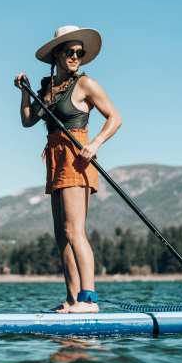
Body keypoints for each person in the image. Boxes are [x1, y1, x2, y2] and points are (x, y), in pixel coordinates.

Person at [14, 25, 121, 313]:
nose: (76, 57)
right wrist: (25, 92)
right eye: (70, 52)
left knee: (75, 230)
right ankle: (73, 298)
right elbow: (27, 120)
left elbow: (115, 117)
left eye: (79, 53)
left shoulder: (86, 85)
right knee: (61, 234)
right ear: (56, 55)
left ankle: (89, 300)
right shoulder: (47, 89)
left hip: (77, 157)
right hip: (55, 158)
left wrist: (96, 143)